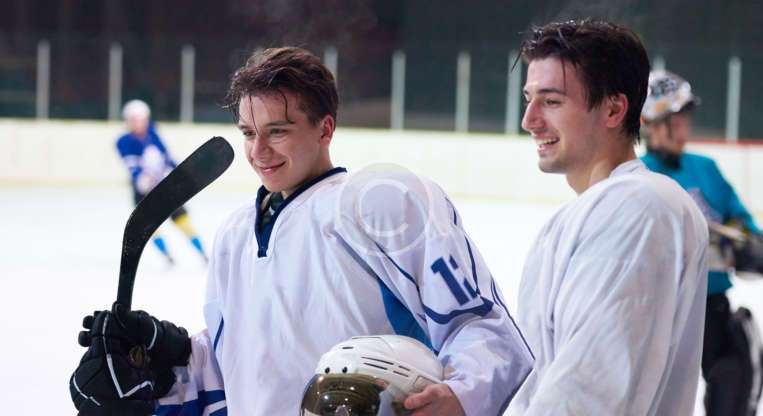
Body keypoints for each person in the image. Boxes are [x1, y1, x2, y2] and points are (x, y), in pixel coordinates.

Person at [70, 47, 533, 415]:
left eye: (278, 131)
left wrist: (461, 397)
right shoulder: (234, 236)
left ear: (325, 128)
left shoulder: (379, 202)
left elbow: (485, 328)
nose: (259, 151)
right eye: (249, 133)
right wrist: (162, 368)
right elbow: (238, 379)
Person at [509, 19, 709, 415]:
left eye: (551, 101)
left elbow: (587, 390)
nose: (529, 121)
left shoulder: (638, 207)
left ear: (614, 108)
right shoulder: (585, 214)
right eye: (528, 99)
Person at [640, 70, 763, 415]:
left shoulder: (706, 168)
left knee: (737, 370)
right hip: (659, 311)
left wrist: (750, 244)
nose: (684, 129)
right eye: (675, 121)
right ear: (652, 123)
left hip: (710, 305)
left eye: (686, 120)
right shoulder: (639, 175)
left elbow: (741, 223)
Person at [116, 99, 208, 265]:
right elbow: (131, 165)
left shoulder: (153, 133)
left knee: (182, 220)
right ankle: (167, 256)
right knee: (149, 227)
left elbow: (167, 157)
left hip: (165, 187)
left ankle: (203, 253)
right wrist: (140, 179)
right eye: (134, 120)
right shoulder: (123, 141)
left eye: (141, 119)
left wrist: (181, 172)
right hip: (143, 192)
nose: (138, 123)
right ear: (128, 121)